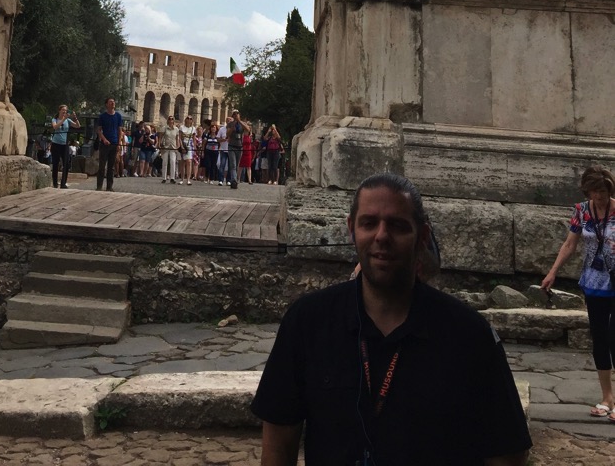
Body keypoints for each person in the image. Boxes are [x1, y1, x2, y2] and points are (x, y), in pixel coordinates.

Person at [251, 172, 531, 466]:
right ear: (351, 230)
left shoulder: (471, 336)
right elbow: (278, 444)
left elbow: (507, 454)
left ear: (422, 237)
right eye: (369, 223)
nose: (381, 236)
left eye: (397, 226)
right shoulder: (307, 322)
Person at [541, 162, 615, 420]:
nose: (601, 198)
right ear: (588, 193)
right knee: (600, 338)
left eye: (604, 193)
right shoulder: (582, 211)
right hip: (595, 282)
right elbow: (570, 244)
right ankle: (607, 397)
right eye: (595, 194)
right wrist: (553, 272)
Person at [95, 97, 123, 193]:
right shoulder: (103, 116)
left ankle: (109, 186)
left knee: (111, 166)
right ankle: (99, 186)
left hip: (114, 143)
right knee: (102, 166)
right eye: (110, 102)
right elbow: (99, 130)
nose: (112, 103)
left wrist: (119, 143)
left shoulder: (118, 116)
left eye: (113, 102)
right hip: (104, 144)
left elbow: (120, 130)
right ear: (106, 104)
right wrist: (104, 139)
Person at [49, 104, 80, 189]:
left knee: (66, 163)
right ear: (59, 110)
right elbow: (55, 127)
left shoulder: (68, 120)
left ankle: (63, 183)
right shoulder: (55, 119)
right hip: (56, 144)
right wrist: (63, 119)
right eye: (63, 110)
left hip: (64, 144)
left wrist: (75, 117)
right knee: (55, 163)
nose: (64, 112)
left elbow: (77, 126)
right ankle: (55, 182)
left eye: (66, 111)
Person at [226, 109, 251, 190]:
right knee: (233, 164)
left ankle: (235, 179)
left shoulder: (241, 124)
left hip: (239, 146)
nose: (235, 116)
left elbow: (248, 129)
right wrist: (232, 127)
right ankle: (234, 181)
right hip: (231, 146)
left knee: (237, 165)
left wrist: (239, 121)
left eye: (237, 114)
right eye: (234, 115)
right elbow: (227, 134)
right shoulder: (230, 124)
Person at [159, 114, 179, 184]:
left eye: (172, 119)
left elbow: (177, 138)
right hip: (166, 146)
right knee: (165, 162)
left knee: (173, 161)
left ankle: (172, 177)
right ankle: (164, 177)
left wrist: (178, 146)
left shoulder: (176, 129)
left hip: (173, 147)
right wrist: (159, 144)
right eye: (170, 119)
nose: (171, 120)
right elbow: (161, 137)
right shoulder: (164, 128)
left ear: (173, 120)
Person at [178, 114, 196, 185]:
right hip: (183, 144)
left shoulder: (193, 129)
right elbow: (179, 137)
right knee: (183, 162)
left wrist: (194, 147)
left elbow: (194, 139)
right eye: (188, 118)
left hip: (190, 146)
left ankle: (188, 179)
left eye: (190, 119)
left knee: (189, 161)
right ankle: (182, 178)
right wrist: (181, 146)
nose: (189, 120)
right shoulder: (182, 127)